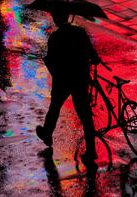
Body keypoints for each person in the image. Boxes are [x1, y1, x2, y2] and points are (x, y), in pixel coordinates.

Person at [36, 10, 100, 169]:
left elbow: (51, 60)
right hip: (80, 78)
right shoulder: (80, 32)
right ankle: (91, 151)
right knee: (85, 115)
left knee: (55, 106)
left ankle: (47, 133)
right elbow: (93, 55)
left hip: (63, 80)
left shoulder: (55, 38)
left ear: (56, 19)